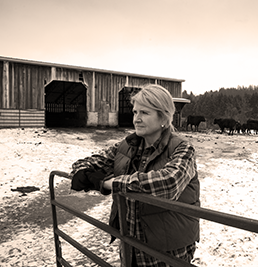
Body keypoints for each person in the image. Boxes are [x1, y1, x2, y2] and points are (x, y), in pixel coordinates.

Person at [70, 84, 200, 267]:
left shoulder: (182, 148)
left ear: (163, 116)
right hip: (130, 244)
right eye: (135, 112)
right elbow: (86, 163)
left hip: (166, 250)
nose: (136, 119)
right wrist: (84, 172)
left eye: (144, 113)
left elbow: (169, 183)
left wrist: (109, 183)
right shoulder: (127, 146)